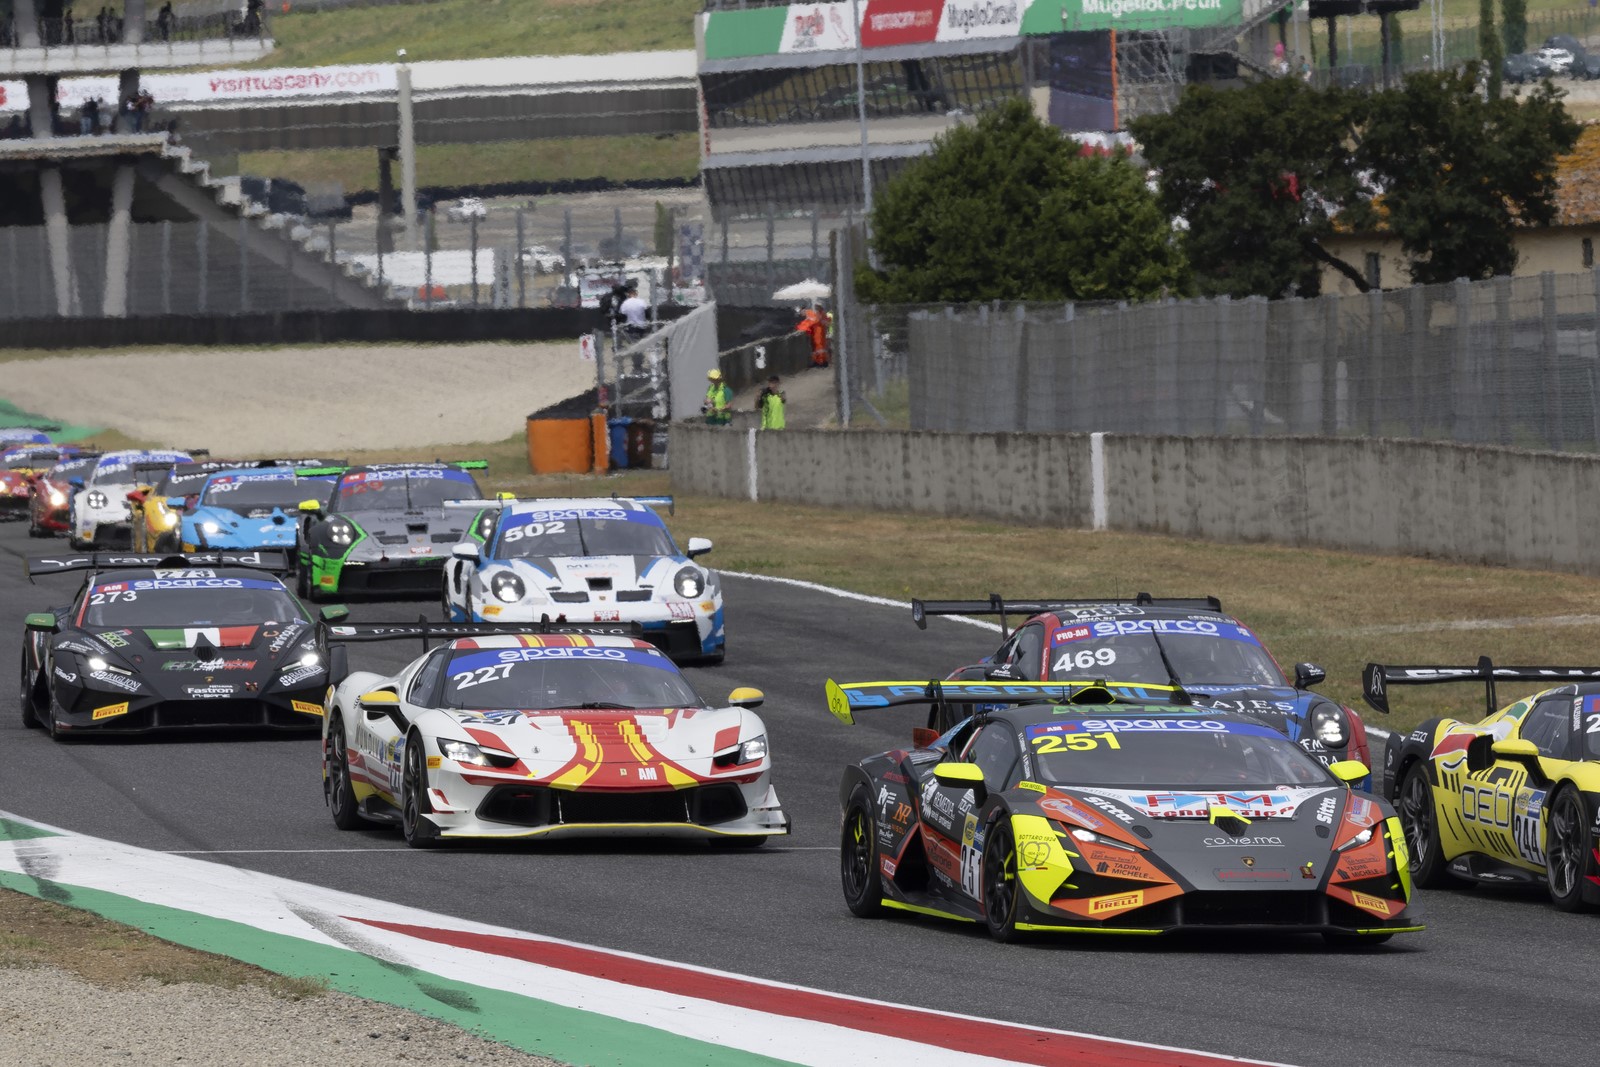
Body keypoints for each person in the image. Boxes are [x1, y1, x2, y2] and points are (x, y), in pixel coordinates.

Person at [797, 301, 829, 368]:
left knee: (819, 347)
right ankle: (818, 361)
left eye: (817, 306)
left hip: (818, 333)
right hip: (817, 332)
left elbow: (814, 322)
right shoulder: (819, 314)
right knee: (817, 348)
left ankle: (820, 362)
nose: (816, 307)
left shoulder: (819, 314)